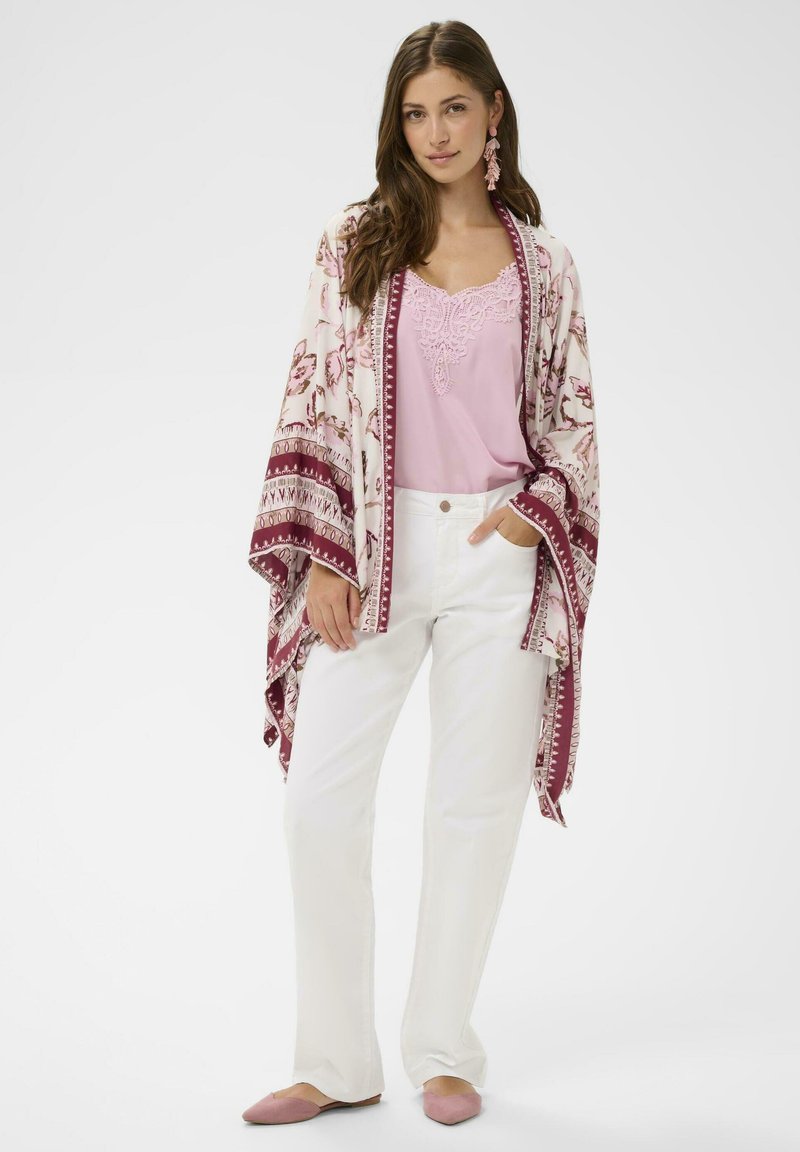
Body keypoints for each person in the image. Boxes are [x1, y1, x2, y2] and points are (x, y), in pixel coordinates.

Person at [242, 19, 600, 1128]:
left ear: (493, 111)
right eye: (414, 112)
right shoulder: (353, 244)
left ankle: (443, 1049)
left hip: (496, 553)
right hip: (373, 548)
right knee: (319, 804)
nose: (434, 132)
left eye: (453, 106)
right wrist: (319, 555)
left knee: (471, 810)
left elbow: (573, 424)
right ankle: (335, 1062)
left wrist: (528, 522)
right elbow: (308, 395)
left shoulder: (543, 264)